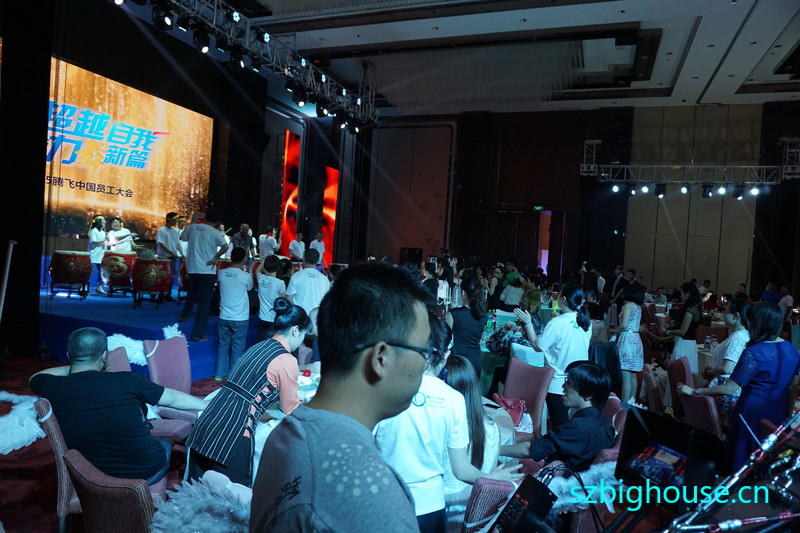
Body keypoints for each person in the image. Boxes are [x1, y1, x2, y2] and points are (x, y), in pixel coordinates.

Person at [249, 264, 433, 532]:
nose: (426, 363)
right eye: (424, 350)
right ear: (381, 358)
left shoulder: (285, 434)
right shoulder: (373, 496)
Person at [374, 313, 521, 533]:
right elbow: (461, 470)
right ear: (446, 355)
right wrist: (491, 478)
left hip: (386, 500)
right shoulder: (454, 399)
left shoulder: (382, 388)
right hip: (430, 506)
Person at [29, 327, 207, 483]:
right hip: (143, 473)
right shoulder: (126, 380)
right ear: (105, 356)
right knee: (164, 443)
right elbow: (173, 398)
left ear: (69, 355)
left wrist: (73, 367)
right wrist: (205, 404)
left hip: (87, 474)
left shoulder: (51, 386)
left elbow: (35, 377)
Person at [188, 297, 309, 486]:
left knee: (196, 492)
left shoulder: (258, 346)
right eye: (303, 336)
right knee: (231, 498)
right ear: (295, 331)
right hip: (233, 436)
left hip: (207, 423)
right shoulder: (286, 360)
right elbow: (290, 408)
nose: (301, 342)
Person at [682, 303, 800, 471]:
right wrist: (787, 415)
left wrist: (696, 391)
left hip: (750, 414)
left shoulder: (754, 353)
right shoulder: (791, 350)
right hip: (778, 412)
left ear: (758, 322)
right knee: (768, 462)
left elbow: (729, 388)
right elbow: (793, 387)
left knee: (743, 461)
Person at [500, 361, 615, 472]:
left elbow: (529, 450)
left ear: (588, 394)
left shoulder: (578, 428)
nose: (563, 386)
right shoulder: (603, 422)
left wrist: (495, 449)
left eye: (569, 384)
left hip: (562, 481)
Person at [514, 283, 592, 428]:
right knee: (575, 425)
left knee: (561, 426)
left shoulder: (557, 323)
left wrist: (528, 323)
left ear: (563, 299)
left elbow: (537, 347)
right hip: (580, 381)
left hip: (558, 384)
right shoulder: (585, 322)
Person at [442, 355, 503, 533]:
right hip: (477, 512)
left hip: (441, 512)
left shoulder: (443, 427)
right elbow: (489, 474)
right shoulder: (492, 427)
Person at [681, 297, 751, 428]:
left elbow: (727, 368)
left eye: (726, 311)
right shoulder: (745, 334)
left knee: (715, 427)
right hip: (731, 386)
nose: (723, 314)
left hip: (725, 389)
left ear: (736, 315)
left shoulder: (737, 338)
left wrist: (710, 371)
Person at [179, 210, 229, 342]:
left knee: (192, 291)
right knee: (204, 303)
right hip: (207, 269)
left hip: (192, 268)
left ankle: (184, 314)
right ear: (217, 222)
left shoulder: (192, 227)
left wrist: (193, 220)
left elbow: (182, 238)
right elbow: (225, 246)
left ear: (205, 218)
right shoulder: (215, 232)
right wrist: (216, 257)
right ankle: (198, 333)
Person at [215, 246, 253, 381]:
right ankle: (233, 377)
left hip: (224, 316)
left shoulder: (221, 273)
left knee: (223, 346)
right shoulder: (245, 276)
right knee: (237, 347)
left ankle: (219, 374)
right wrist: (249, 269)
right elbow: (250, 288)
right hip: (240, 317)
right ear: (244, 259)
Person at [609, 283, 645, 402]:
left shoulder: (628, 305)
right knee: (633, 375)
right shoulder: (638, 307)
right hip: (636, 339)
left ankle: (624, 405)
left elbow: (624, 325)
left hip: (627, 340)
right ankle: (631, 402)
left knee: (625, 376)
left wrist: (614, 331)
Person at [448, 275, 488, 376]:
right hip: (475, 361)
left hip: (458, 362)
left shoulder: (454, 314)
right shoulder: (483, 316)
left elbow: (446, 339)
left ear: (463, 293)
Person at [285, 249, 330, 315]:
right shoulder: (324, 279)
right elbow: (326, 301)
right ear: (318, 261)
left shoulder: (296, 276)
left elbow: (289, 299)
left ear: (304, 259)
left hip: (299, 315)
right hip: (316, 316)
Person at [255, 255, 286, 342]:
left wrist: (264, 260)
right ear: (278, 267)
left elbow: (257, 270)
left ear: (265, 267)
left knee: (261, 342)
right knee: (273, 344)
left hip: (262, 317)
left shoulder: (261, 279)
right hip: (274, 318)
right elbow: (284, 299)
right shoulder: (280, 283)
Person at [87, 215, 107, 294]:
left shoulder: (103, 232)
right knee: (90, 271)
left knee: (102, 271)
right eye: (103, 220)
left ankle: (99, 287)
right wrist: (104, 239)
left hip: (101, 255)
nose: (105, 222)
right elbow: (94, 241)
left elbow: (104, 242)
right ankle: (84, 286)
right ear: (99, 222)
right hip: (93, 254)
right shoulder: (94, 231)